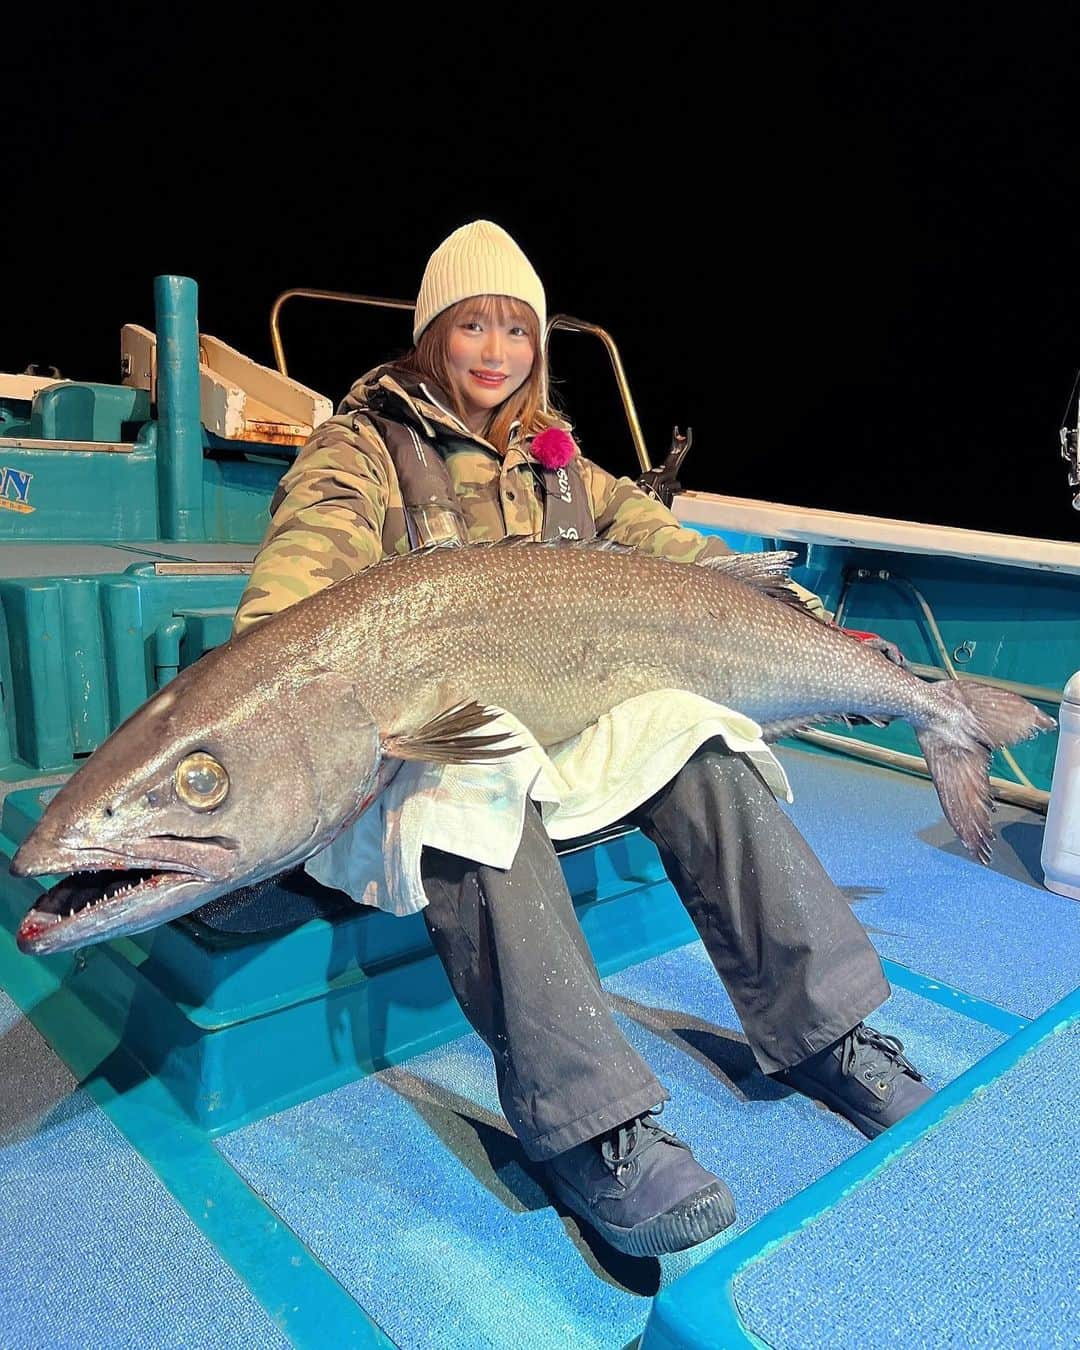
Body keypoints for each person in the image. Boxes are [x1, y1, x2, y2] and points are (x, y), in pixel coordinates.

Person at [233, 220, 932, 1258]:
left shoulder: (566, 468)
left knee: (696, 741)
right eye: (471, 324)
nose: (494, 351)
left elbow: (681, 556)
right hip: (430, 743)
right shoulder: (360, 450)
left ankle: (823, 1033)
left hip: (563, 717)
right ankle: (590, 1127)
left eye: (516, 330)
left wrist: (827, 638)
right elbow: (298, 580)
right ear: (431, 335)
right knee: (478, 788)